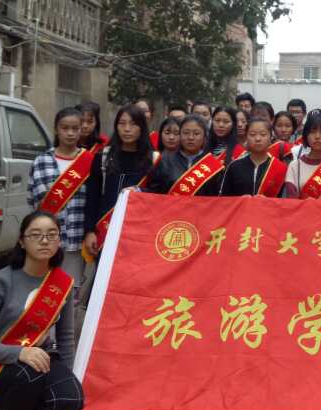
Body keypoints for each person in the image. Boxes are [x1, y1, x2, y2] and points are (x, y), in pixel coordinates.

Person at [0, 212, 83, 410]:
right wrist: (21, 352)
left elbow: (66, 338)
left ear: (59, 240)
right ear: (21, 241)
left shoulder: (62, 284)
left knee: (70, 401)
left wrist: (67, 376)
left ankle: (21, 409)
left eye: (52, 234)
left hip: (41, 359)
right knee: (31, 369)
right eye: (36, 235)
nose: (45, 241)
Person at [83, 105, 159, 258]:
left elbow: (158, 195)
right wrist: (90, 231)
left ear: (142, 127)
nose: (127, 129)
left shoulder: (153, 159)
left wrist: (140, 191)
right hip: (106, 231)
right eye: (122, 123)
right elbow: (92, 197)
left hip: (138, 234)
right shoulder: (103, 157)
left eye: (133, 124)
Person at [27, 107, 89, 292]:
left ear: (81, 130)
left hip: (77, 241)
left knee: (71, 292)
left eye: (75, 128)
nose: (70, 133)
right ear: (56, 129)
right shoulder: (41, 161)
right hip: (46, 241)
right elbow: (32, 201)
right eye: (65, 128)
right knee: (42, 291)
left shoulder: (89, 161)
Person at [146, 114, 223, 196]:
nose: (190, 137)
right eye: (186, 133)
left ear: (205, 137)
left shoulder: (212, 165)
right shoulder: (165, 160)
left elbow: (217, 198)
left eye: (196, 133)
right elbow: (153, 193)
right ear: (180, 134)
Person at [220, 118, 287, 197]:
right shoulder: (234, 166)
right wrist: (239, 200)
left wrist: (268, 202)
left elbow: (285, 201)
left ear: (270, 138)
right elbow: (224, 199)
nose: (258, 139)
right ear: (246, 137)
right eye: (252, 134)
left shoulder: (280, 168)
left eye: (263, 134)